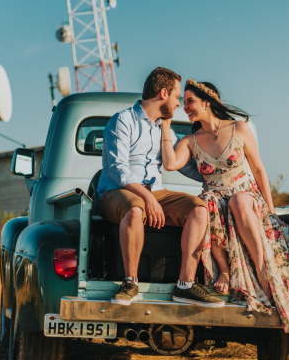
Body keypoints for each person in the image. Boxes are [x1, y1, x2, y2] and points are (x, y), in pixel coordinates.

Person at [161, 79, 289, 333]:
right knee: (205, 204)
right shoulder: (190, 140)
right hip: (214, 199)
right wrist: (166, 125)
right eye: (184, 102)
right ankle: (224, 271)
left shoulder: (240, 128)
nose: (185, 107)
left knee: (238, 200)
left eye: (189, 101)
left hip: (245, 196)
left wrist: (270, 211)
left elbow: (258, 169)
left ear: (207, 101)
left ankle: (262, 270)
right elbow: (170, 164)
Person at [95, 67, 225, 308]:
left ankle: (185, 285)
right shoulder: (122, 120)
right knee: (135, 208)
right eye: (177, 97)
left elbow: (185, 167)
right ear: (163, 93)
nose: (179, 104)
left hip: (154, 193)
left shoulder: (165, 130)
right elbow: (117, 168)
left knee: (198, 208)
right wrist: (147, 198)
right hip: (115, 192)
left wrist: (221, 178)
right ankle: (130, 282)